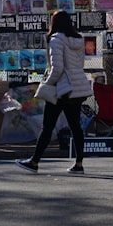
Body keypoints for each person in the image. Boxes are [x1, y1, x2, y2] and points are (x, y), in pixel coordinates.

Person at [16, 10, 93, 174]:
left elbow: (57, 68)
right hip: (78, 87)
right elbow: (78, 65)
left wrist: (47, 84)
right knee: (76, 127)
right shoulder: (78, 39)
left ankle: (34, 161)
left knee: (48, 126)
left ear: (54, 23)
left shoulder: (56, 40)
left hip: (62, 88)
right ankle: (79, 164)